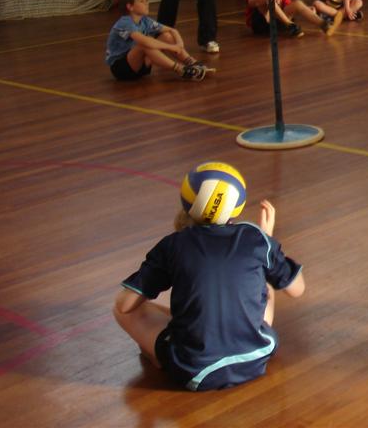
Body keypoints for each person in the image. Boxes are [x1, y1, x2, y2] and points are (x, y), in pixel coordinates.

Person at [113, 165, 305, 391]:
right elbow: (297, 289)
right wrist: (267, 240)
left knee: (123, 311)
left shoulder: (173, 245)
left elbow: (124, 306)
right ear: (237, 206)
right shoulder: (256, 238)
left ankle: (158, 357)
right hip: (256, 356)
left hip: (195, 370)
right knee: (265, 281)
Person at [105, 0, 208, 82]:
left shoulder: (145, 20)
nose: (147, 3)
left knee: (166, 36)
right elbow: (146, 42)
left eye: (147, 0)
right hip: (122, 69)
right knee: (144, 44)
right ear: (130, 6)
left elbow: (172, 30)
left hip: (140, 66)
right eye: (142, 1)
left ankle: (191, 62)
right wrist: (172, 47)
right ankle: (180, 69)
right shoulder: (125, 22)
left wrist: (179, 45)